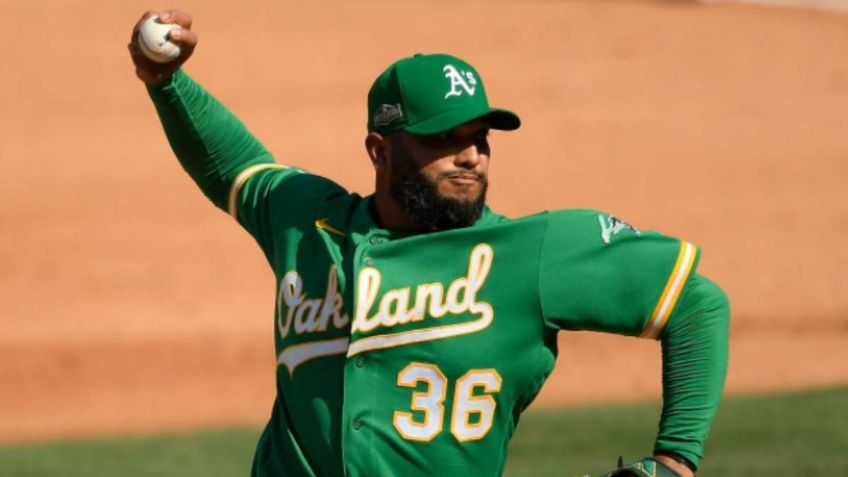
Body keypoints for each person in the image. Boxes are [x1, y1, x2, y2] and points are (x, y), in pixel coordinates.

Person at [129, 10, 729, 477]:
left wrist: (676, 458)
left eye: (480, 136)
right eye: (443, 138)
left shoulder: (534, 251)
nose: (471, 154)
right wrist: (165, 81)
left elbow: (696, 303)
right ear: (379, 150)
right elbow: (233, 167)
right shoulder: (309, 222)